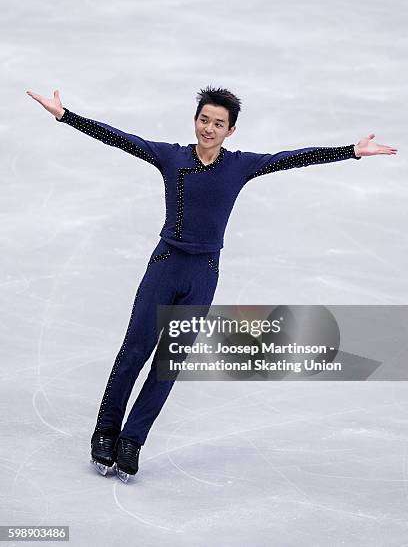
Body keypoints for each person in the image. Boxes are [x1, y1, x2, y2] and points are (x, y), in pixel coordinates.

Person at [26, 85, 397, 482]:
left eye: (219, 123)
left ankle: (132, 440)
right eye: (204, 120)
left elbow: (291, 159)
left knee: (169, 364)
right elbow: (121, 139)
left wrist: (350, 151)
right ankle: (105, 433)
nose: (209, 128)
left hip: (202, 275)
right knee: (134, 351)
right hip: (165, 266)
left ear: (231, 131)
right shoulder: (171, 157)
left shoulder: (239, 166)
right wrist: (66, 116)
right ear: (196, 121)